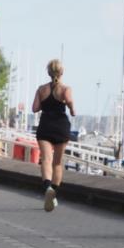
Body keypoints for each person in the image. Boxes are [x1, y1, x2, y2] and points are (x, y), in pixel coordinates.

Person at [32, 58, 75, 212]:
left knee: (46, 159)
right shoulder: (65, 89)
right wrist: (71, 109)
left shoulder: (41, 89)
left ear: (48, 73)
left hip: (45, 126)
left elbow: (35, 108)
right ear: (61, 72)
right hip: (61, 127)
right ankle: (54, 193)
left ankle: (47, 187)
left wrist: (45, 102)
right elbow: (69, 101)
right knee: (57, 163)